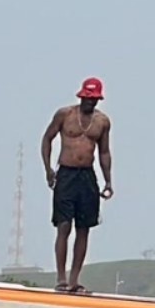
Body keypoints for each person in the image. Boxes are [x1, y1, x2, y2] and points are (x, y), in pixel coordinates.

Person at [41, 77, 114, 294]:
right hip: (66, 174)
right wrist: (48, 169)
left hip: (87, 177)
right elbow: (47, 139)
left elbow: (104, 152)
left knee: (84, 228)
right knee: (64, 225)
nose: (90, 102)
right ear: (81, 96)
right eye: (87, 98)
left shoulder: (102, 122)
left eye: (94, 99)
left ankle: (74, 280)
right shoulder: (65, 115)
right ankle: (61, 278)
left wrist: (108, 180)